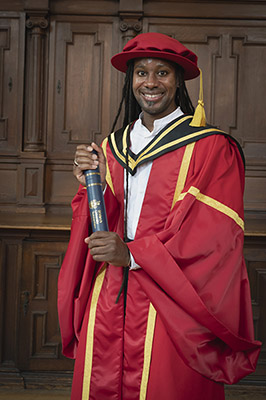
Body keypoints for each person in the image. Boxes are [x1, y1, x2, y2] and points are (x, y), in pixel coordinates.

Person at [58, 32, 261, 400]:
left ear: (179, 81)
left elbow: (212, 236)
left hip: (172, 300)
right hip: (111, 298)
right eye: (141, 73)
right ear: (130, 80)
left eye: (162, 73)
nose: (150, 83)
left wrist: (132, 255)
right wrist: (94, 187)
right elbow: (104, 222)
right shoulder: (112, 146)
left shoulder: (211, 148)